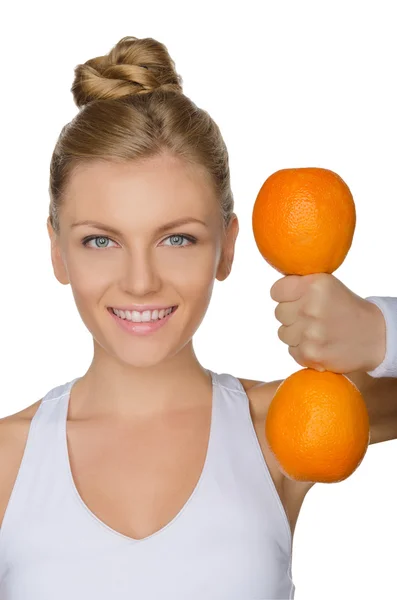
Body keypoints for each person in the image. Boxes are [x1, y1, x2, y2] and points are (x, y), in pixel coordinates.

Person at [0, 35, 396, 600]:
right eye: (101, 241)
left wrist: (381, 332)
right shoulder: (7, 461)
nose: (140, 282)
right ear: (57, 251)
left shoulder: (282, 427)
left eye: (177, 238)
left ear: (227, 248)